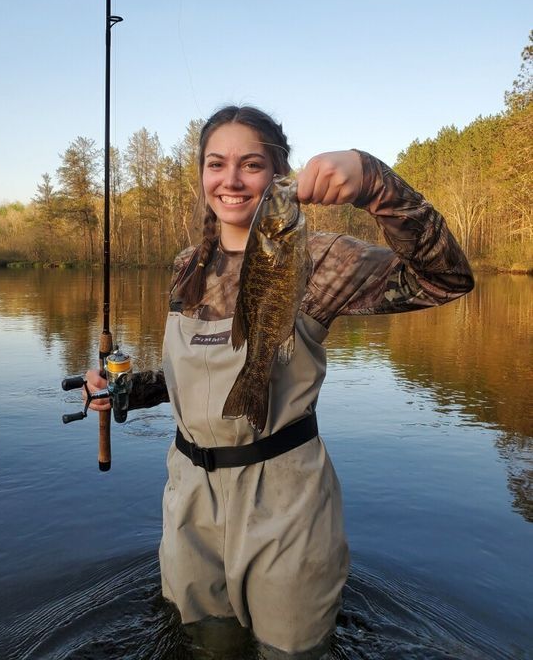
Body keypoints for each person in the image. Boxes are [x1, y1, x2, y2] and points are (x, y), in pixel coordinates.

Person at [84, 105, 474, 657]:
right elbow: (193, 378)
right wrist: (126, 389)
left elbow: (448, 278)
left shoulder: (321, 257)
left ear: (278, 176)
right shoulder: (187, 266)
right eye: (216, 164)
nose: (232, 180)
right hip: (190, 498)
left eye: (252, 164)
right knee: (203, 645)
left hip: (283, 498)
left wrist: (374, 182)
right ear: (201, 175)